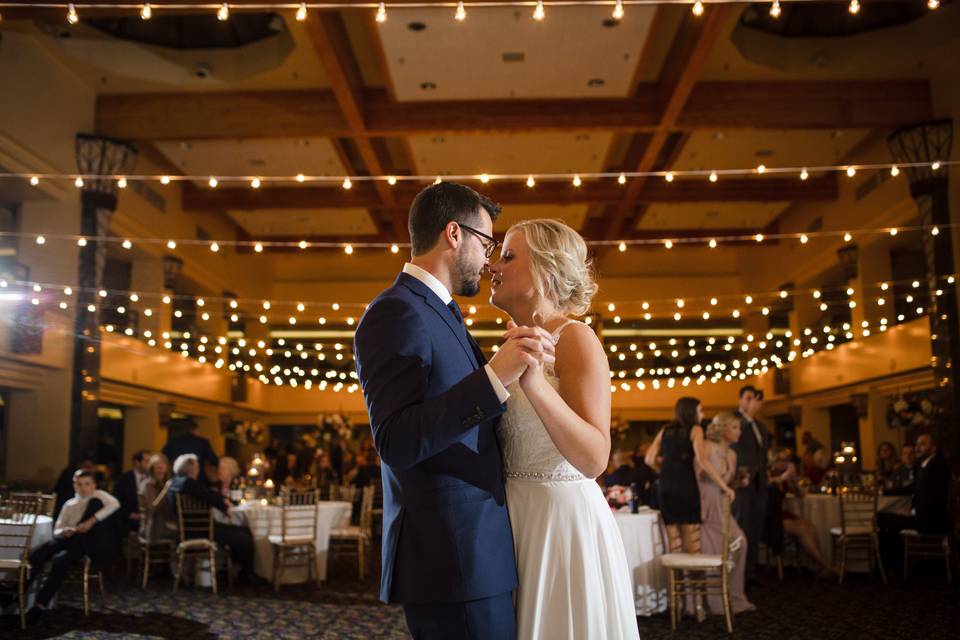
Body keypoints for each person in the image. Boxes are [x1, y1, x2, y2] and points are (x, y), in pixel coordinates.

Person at [353, 183, 556, 639]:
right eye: (486, 244)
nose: (488, 261)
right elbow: (396, 441)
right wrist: (492, 378)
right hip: (451, 556)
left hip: (477, 553)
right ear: (453, 234)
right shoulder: (396, 312)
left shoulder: (441, 313)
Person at [488, 218, 638, 639]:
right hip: (514, 520)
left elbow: (594, 457)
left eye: (508, 256)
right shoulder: (508, 344)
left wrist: (534, 385)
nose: (492, 267)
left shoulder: (576, 338)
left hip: (561, 525)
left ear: (545, 270)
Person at [647, 399, 734, 557]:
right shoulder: (696, 429)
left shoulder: (665, 430)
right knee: (692, 543)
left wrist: (665, 471)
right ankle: (692, 581)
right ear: (691, 412)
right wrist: (725, 487)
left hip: (666, 485)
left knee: (675, 544)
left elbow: (649, 459)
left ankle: (676, 581)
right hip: (686, 485)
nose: (702, 414)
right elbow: (702, 460)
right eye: (700, 411)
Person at [26, 470, 120, 612]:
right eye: (79, 484)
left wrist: (91, 521)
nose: (83, 488)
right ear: (74, 486)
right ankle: (19, 590)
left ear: (94, 485)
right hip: (67, 538)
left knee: (60, 561)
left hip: (84, 542)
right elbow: (56, 531)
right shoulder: (69, 504)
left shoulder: (97, 496)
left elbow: (115, 504)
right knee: (39, 553)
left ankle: (41, 603)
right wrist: (64, 531)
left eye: (87, 484)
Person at [167, 454, 256, 584]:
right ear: (191, 469)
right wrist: (224, 507)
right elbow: (207, 495)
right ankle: (246, 575)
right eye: (197, 466)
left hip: (189, 528)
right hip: (200, 530)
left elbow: (206, 493)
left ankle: (237, 572)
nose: (199, 470)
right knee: (245, 538)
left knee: (244, 531)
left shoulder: (175, 482)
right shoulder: (188, 483)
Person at [701, 412, 755, 614]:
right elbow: (700, 472)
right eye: (735, 427)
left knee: (740, 543)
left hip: (723, 503)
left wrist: (739, 483)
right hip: (706, 501)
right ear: (722, 429)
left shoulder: (732, 454)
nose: (739, 431)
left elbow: (728, 483)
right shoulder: (706, 446)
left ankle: (735, 597)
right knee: (713, 549)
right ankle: (714, 603)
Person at [878, 433, 952, 573]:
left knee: (883, 519)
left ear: (934, 449)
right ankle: (895, 564)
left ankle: (893, 566)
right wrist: (884, 492)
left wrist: (912, 512)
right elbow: (911, 488)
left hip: (931, 520)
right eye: (917, 444)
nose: (918, 447)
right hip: (923, 516)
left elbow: (934, 499)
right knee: (884, 517)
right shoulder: (924, 466)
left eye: (923, 444)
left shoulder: (937, 466)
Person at [731, 385, 770, 586]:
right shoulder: (735, 421)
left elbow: (763, 456)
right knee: (742, 528)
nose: (750, 402)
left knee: (755, 529)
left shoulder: (761, 427)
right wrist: (747, 415)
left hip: (759, 485)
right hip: (741, 484)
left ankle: (751, 572)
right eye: (747, 398)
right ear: (740, 400)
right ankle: (738, 574)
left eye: (754, 398)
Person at [140, 453, 175, 544]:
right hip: (153, 525)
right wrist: (165, 490)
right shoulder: (148, 484)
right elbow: (153, 508)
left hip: (167, 522)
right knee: (183, 532)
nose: (160, 466)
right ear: (152, 467)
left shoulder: (167, 483)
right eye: (156, 464)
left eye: (163, 463)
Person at [114, 449, 151, 533]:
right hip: (128, 521)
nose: (150, 464)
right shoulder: (123, 479)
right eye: (147, 461)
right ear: (137, 463)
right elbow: (116, 502)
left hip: (147, 520)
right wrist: (130, 515)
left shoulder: (151, 478)